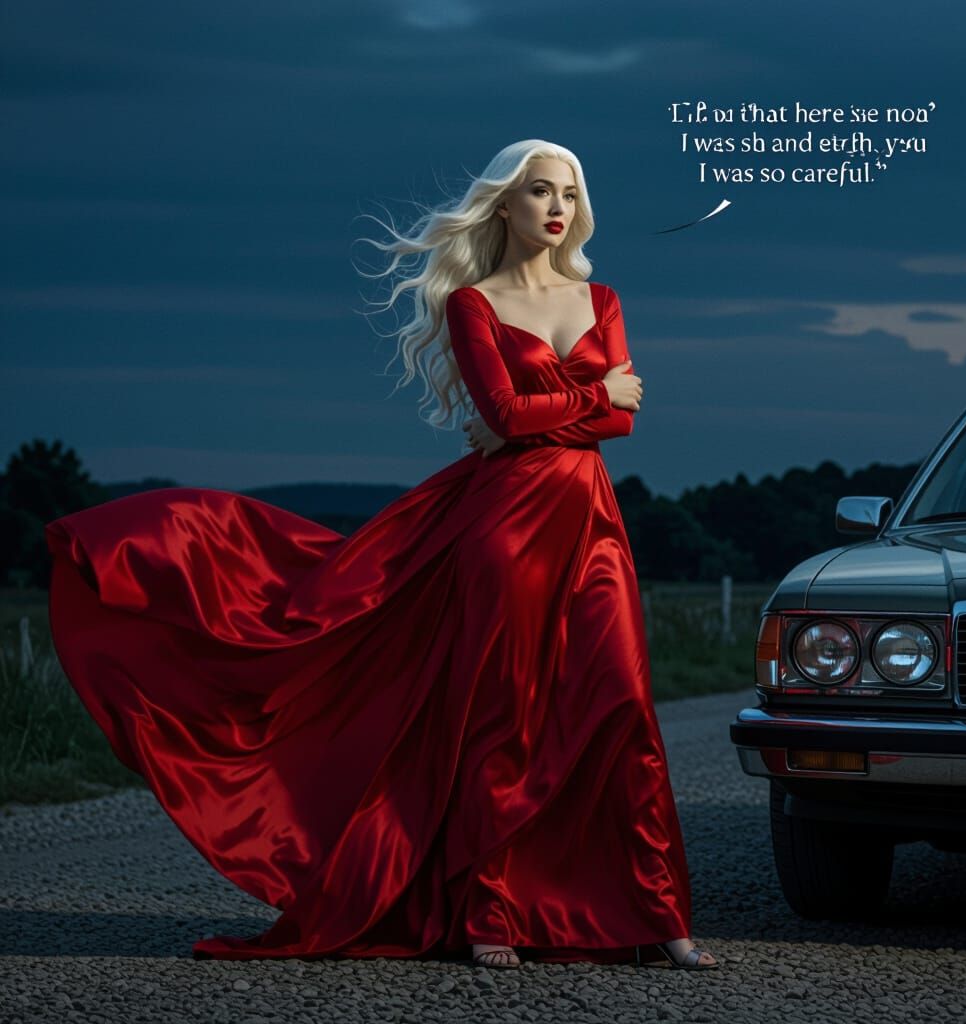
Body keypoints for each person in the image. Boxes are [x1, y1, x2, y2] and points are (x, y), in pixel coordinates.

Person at [44, 138, 718, 972]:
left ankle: (661, 916)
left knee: (620, 708)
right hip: (505, 530)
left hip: (593, 526)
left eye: (570, 193)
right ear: (501, 206)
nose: (557, 207)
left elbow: (617, 424)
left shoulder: (602, 297)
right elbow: (512, 416)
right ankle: (489, 912)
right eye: (539, 191)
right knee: (504, 718)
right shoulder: (473, 304)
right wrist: (586, 396)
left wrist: (552, 410)